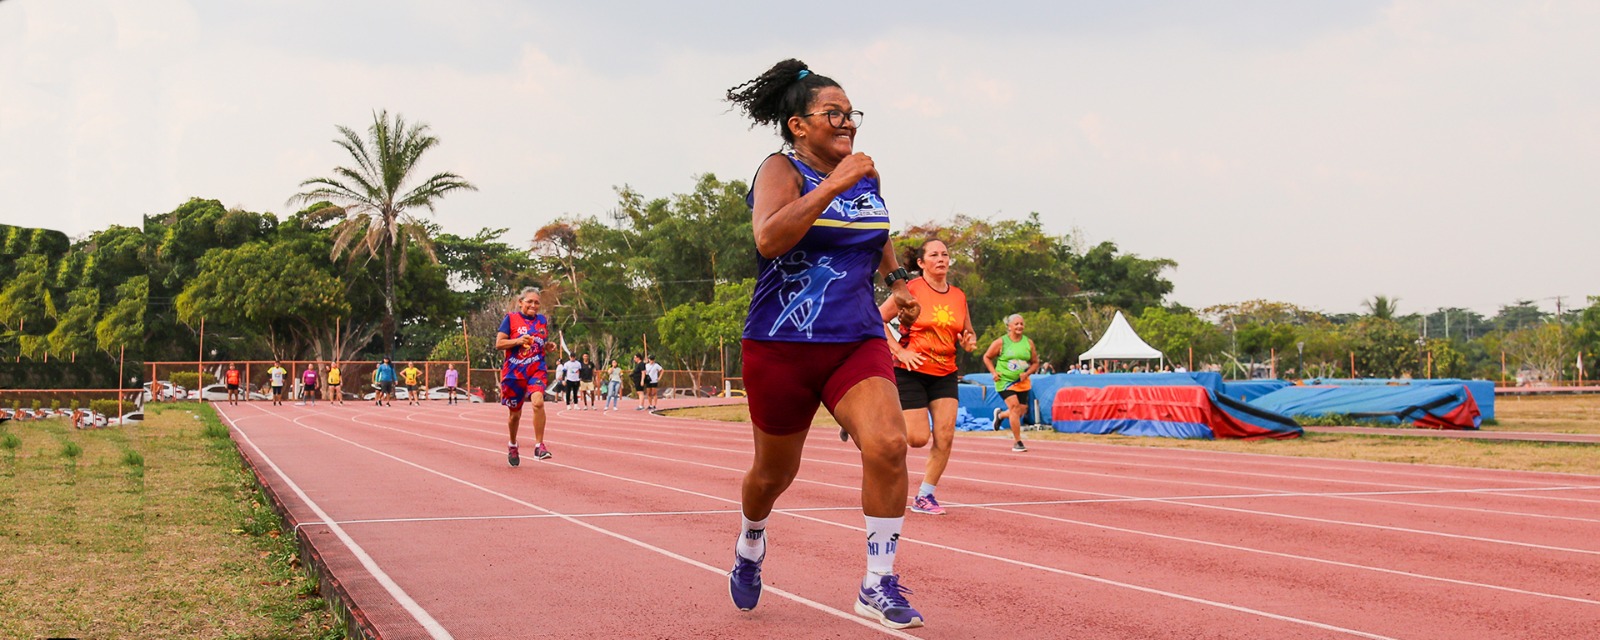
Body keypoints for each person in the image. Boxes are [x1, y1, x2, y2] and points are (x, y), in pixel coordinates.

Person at [723, 59, 923, 629]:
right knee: (772, 476)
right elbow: (770, 237)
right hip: (780, 345)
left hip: (854, 338)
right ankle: (751, 540)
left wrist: (896, 283)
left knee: (888, 444)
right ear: (798, 125)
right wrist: (834, 183)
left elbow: (875, 230)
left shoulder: (864, 174)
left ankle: (877, 583)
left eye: (851, 114)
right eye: (833, 114)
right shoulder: (779, 170)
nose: (847, 124)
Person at [882, 239, 976, 517]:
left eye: (945, 254)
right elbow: (877, 319)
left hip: (945, 372)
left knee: (945, 436)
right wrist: (899, 350)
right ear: (921, 263)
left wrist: (969, 341)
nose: (941, 259)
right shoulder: (910, 289)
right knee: (917, 438)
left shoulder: (958, 295)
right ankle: (878, 419)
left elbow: (967, 332)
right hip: (911, 370)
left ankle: (925, 495)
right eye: (934, 255)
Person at [495, 287, 555, 466]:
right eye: (529, 301)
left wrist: (547, 346)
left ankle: (539, 446)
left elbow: (539, 343)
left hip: (536, 369)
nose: (533, 305)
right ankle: (513, 444)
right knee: (515, 415)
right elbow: (499, 343)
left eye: (536, 302)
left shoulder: (542, 321)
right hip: (514, 373)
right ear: (520, 302)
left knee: (538, 402)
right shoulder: (511, 319)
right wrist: (517, 341)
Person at [983, 314, 1039, 452]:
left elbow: (1035, 362)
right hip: (1005, 381)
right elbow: (987, 357)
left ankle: (1001, 415)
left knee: (1021, 410)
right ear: (1009, 326)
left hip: (1022, 382)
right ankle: (1018, 441)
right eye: (1016, 324)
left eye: (1021, 324)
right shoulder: (1001, 342)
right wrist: (994, 373)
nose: (1020, 326)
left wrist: (1026, 373)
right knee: (1014, 407)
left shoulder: (1028, 343)